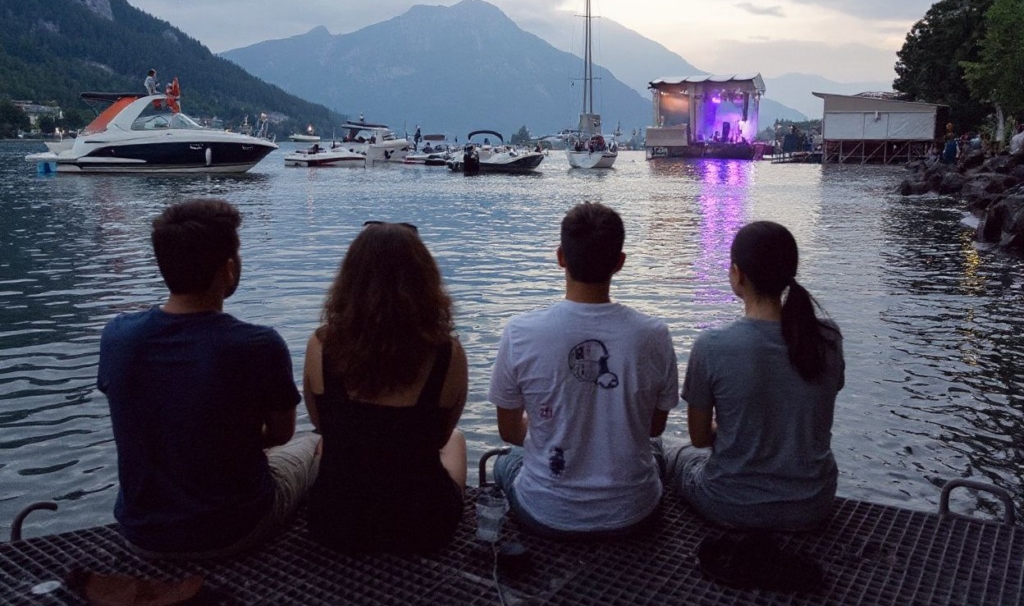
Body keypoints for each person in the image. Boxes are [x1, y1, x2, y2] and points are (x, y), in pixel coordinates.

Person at [98, 199, 320, 559]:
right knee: (315, 446)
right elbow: (281, 435)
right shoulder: (258, 344)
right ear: (229, 268)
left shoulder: (118, 336)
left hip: (141, 535)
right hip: (236, 529)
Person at [488, 202, 679, 539]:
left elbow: (508, 431)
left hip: (546, 513)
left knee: (504, 463)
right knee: (658, 451)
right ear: (619, 263)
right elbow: (652, 427)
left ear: (561, 257)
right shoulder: (654, 335)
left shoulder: (520, 333)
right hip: (634, 513)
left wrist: (552, 424)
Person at [664, 221, 844, 531]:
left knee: (660, 445)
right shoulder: (827, 337)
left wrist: (727, 426)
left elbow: (700, 438)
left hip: (730, 503)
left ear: (737, 274)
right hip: (814, 504)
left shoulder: (711, 346)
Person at [303, 221, 468, 553]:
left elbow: (323, 424)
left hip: (335, 524)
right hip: (422, 527)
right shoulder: (448, 353)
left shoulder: (321, 345)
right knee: (457, 440)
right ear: (425, 281)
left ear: (349, 281)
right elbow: (438, 437)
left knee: (323, 443)